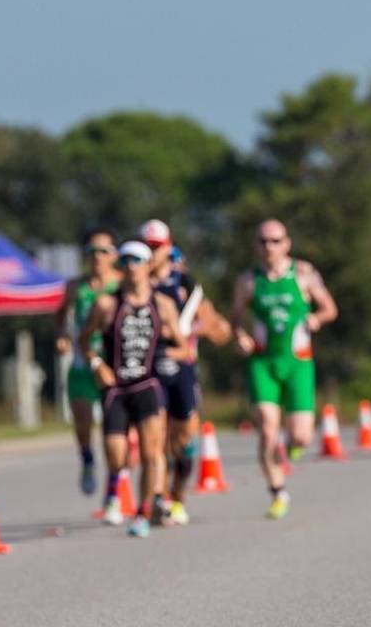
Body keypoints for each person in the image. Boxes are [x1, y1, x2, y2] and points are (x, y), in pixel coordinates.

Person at [78, 240, 192, 538]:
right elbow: (83, 341)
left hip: (147, 384)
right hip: (115, 387)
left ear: (147, 265)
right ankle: (117, 487)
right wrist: (96, 365)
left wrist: (169, 356)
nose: (131, 266)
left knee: (152, 452)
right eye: (126, 259)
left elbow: (183, 347)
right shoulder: (107, 304)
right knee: (117, 456)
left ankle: (142, 512)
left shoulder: (162, 305)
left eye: (137, 260)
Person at [231, 219, 338, 519]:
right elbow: (235, 318)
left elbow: (330, 308)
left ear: (287, 243)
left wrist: (318, 318)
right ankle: (277, 492)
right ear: (256, 245)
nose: (269, 247)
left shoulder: (303, 274)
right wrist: (240, 336)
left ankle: (290, 449)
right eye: (263, 241)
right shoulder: (247, 280)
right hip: (263, 362)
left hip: (298, 362)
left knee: (302, 436)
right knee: (267, 428)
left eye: (276, 241)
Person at [140, 220, 232, 526]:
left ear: (168, 248)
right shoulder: (134, 284)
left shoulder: (187, 286)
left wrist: (202, 329)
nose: (151, 253)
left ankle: (177, 496)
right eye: (146, 247)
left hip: (183, 368)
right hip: (148, 370)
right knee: (154, 440)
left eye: (156, 247)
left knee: (181, 441)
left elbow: (219, 328)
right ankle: (157, 500)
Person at [53, 229, 121, 496]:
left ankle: (113, 492)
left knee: (112, 435)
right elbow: (60, 314)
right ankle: (88, 461)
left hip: (112, 368)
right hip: (82, 365)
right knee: (83, 426)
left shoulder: (121, 284)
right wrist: (62, 337)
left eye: (103, 251)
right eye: (92, 251)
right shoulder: (75, 286)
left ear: (114, 256)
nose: (97, 257)